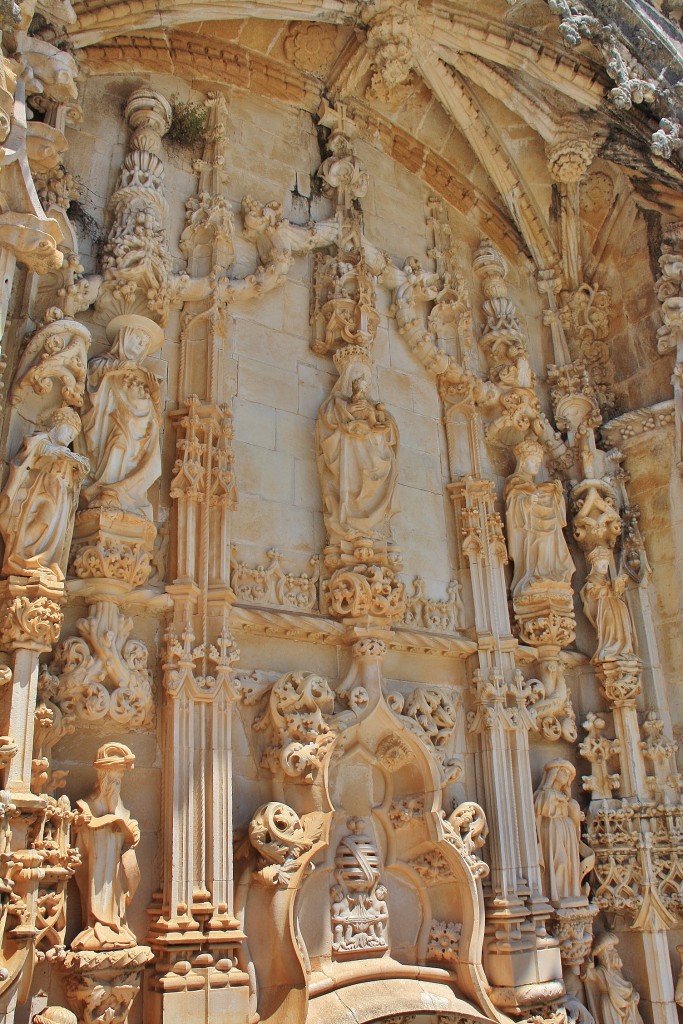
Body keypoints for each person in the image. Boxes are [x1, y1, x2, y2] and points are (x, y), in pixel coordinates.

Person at [81, 315, 163, 520]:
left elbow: (153, 419)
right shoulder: (104, 362)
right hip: (112, 425)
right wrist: (118, 367)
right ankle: (105, 488)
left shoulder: (141, 376)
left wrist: (154, 395)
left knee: (128, 446)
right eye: (137, 339)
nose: (140, 346)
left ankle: (124, 493)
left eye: (144, 344)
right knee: (117, 443)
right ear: (125, 338)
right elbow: (93, 372)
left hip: (136, 433)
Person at [316, 351, 399, 544]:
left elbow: (389, 430)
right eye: (357, 376)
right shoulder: (335, 404)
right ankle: (347, 524)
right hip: (347, 454)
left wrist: (375, 418)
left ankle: (372, 525)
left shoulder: (373, 406)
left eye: (365, 378)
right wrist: (348, 412)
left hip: (371, 453)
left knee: (386, 464)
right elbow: (327, 422)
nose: (362, 381)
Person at [0, 406, 88, 579]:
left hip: (58, 499)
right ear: (56, 426)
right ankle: (23, 557)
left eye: (73, 436)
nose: (70, 437)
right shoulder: (41, 440)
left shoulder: (66, 453)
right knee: (43, 520)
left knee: (51, 524)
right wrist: (63, 454)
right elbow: (39, 452)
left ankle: (43, 561)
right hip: (38, 494)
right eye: (68, 431)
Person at [72, 742, 140, 951]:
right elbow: (80, 833)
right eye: (115, 780)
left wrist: (129, 829)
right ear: (104, 780)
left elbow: (129, 835)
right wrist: (84, 824)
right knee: (96, 886)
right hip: (96, 863)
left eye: (120, 781)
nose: (118, 786)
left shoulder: (119, 807)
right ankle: (96, 925)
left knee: (114, 888)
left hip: (113, 866)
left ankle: (114, 924)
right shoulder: (86, 805)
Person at [504, 439, 575, 597]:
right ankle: (532, 575)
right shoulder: (514, 483)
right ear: (522, 461)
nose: (536, 464)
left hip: (546, 527)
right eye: (532, 461)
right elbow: (513, 508)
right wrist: (528, 502)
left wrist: (557, 495)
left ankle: (551, 574)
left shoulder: (540, 486)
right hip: (529, 530)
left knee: (550, 543)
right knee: (538, 545)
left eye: (538, 461)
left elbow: (559, 517)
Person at [534, 759, 592, 904]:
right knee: (559, 862)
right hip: (551, 831)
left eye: (568, 774)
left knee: (567, 864)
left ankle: (568, 893)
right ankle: (554, 894)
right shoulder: (543, 793)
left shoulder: (568, 798)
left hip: (566, 832)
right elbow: (538, 812)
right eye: (563, 771)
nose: (566, 775)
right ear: (554, 773)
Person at [580, 547, 635, 662]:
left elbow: (614, 593)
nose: (605, 567)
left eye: (606, 563)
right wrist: (607, 590)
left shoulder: (607, 582)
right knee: (609, 628)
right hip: (604, 611)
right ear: (594, 565)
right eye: (601, 564)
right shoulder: (591, 582)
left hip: (616, 610)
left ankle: (622, 648)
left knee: (619, 630)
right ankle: (610, 647)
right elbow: (589, 599)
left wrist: (616, 587)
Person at [584, 932, 644, 1024]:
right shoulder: (600, 971)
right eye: (610, 950)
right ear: (603, 955)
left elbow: (625, 988)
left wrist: (634, 995)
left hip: (624, 1006)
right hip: (609, 1004)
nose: (615, 952)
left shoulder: (617, 971)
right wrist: (589, 956)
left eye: (614, 949)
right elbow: (585, 975)